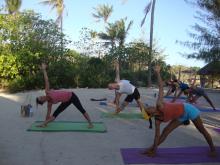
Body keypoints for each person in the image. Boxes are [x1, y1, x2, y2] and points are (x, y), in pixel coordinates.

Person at [142, 65, 216, 157]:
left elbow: (161, 87)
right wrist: (154, 150)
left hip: (189, 109)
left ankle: (213, 149)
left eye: (148, 106)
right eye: (148, 108)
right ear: (151, 114)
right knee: (166, 131)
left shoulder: (159, 105)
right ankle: (152, 149)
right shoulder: (157, 120)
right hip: (181, 116)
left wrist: (158, 73)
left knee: (202, 130)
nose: (150, 106)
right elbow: (157, 136)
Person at [36, 63, 93, 128]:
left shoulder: (47, 91)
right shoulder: (49, 103)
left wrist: (44, 70)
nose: (41, 96)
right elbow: (48, 113)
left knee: (81, 109)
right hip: (65, 101)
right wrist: (45, 122)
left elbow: (46, 80)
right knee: (55, 114)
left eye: (40, 96)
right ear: (43, 101)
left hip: (72, 96)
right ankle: (44, 124)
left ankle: (90, 123)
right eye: (40, 98)